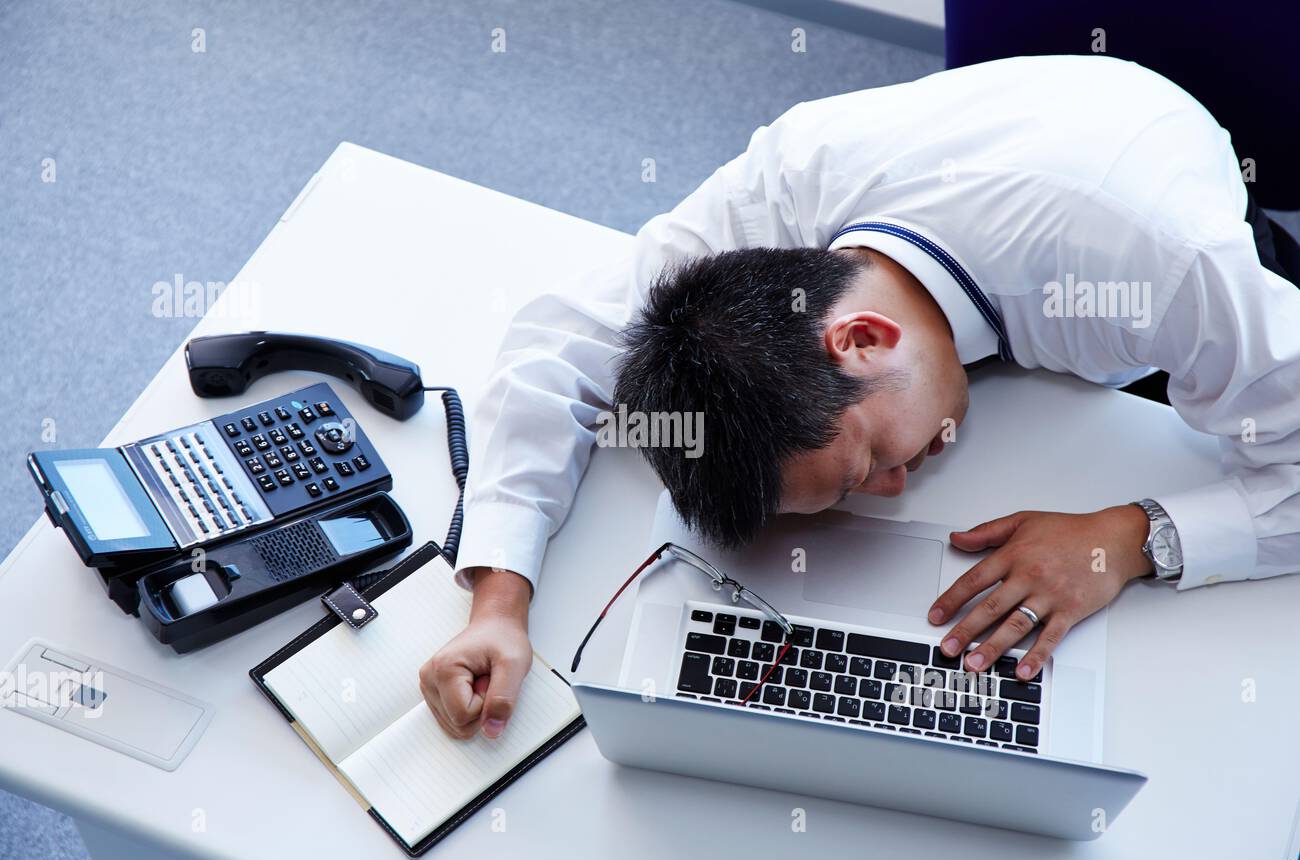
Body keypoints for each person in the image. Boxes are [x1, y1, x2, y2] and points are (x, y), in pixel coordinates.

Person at [416, 55, 1300, 740]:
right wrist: (499, 602)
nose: (894, 492)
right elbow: (559, 343)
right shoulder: (788, 187)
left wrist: (1130, 537)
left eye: (867, 464)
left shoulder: (1170, 268)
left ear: (866, 341)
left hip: (1148, 212)